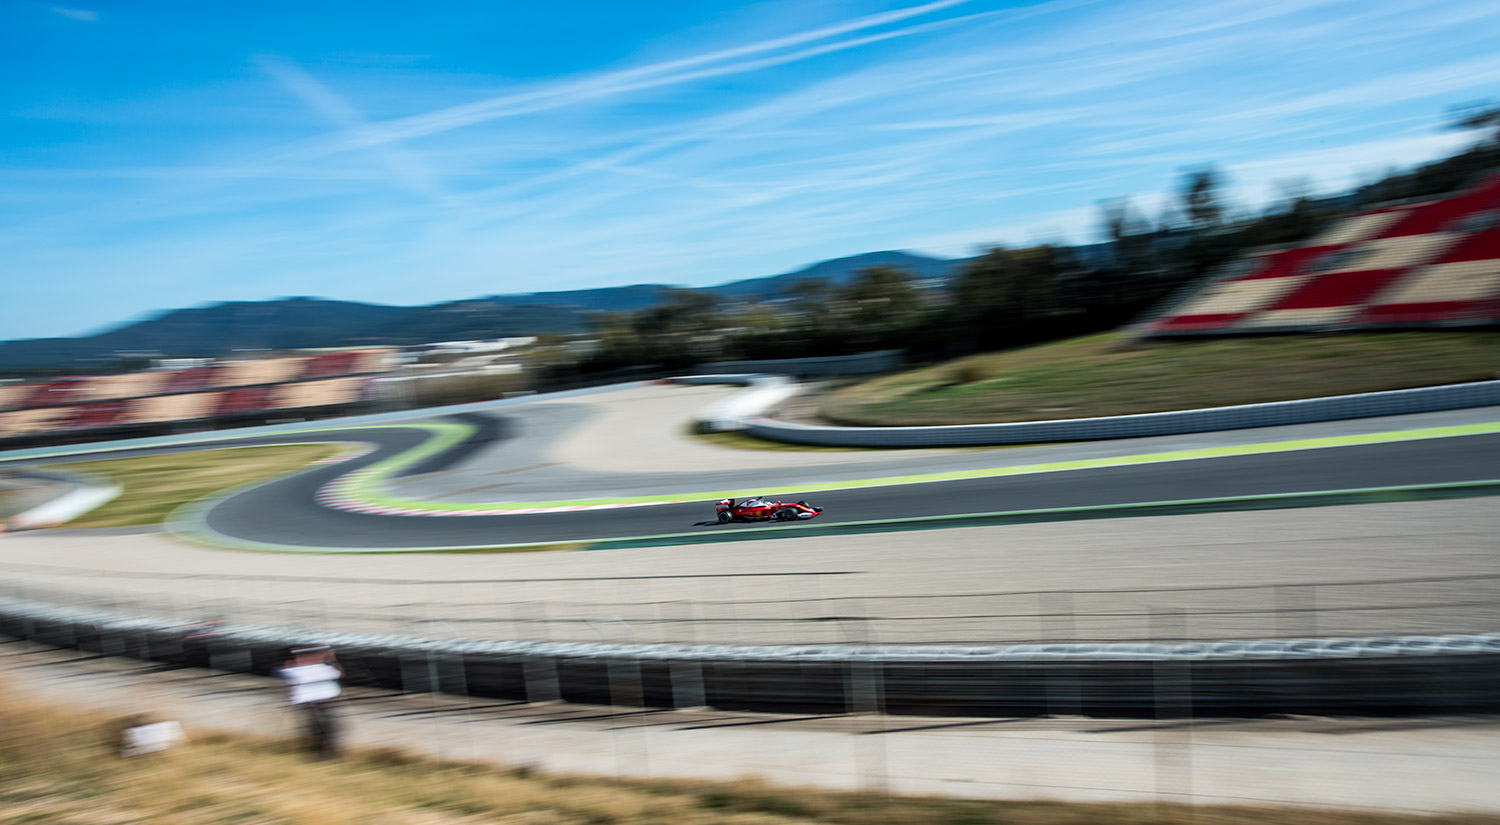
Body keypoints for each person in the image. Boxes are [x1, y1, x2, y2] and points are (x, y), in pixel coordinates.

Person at [278, 645, 344, 759]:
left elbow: (339, 674)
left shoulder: (320, 668)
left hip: (321, 703)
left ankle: (326, 753)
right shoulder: (300, 669)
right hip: (313, 704)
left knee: (325, 729)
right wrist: (332, 659)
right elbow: (339, 673)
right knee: (320, 729)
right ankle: (322, 753)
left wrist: (331, 659)